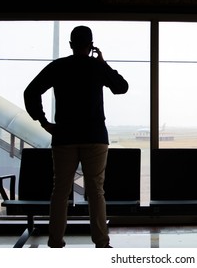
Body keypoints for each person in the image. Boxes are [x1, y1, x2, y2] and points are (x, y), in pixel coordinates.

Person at [24, 26, 129, 248]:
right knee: (96, 191)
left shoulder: (58, 67)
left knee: (60, 191)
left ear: (70, 45)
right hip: (95, 136)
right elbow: (121, 88)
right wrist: (102, 63)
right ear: (91, 45)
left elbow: (30, 92)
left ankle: (55, 240)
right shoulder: (96, 67)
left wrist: (43, 122)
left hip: (64, 136)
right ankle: (101, 241)